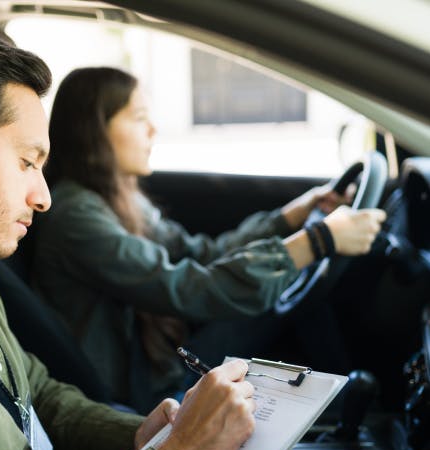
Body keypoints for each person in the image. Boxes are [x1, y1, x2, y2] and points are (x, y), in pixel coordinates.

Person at [0, 28, 393, 450]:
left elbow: (38, 396)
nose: (42, 197)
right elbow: (192, 284)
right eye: (26, 162)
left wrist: (142, 438)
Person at [31, 66, 386, 413]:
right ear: (94, 130)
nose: (154, 129)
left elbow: (202, 254)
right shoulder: (77, 216)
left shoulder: (120, 198)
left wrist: (289, 218)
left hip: (159, 363)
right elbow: (187, 287)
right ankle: (353, 416)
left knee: (285, 291)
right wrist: (316, 242)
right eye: (139, 118)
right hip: (138, 393)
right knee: (281, 296)